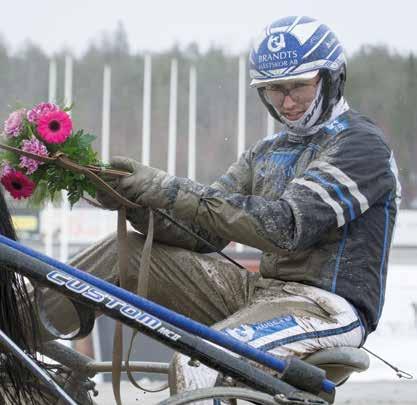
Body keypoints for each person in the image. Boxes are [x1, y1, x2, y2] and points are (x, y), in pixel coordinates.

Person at [41, 16, 401, 396]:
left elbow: (286, 227)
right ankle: (15, 331)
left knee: (199, 360)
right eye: (274, 89)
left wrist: (166, 188)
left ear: (332, 78)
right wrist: (131, 200)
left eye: (298, 86)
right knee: (125, 251)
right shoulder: (265, 151)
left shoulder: (361, 146)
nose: (287, 101)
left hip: (325, 308)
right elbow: (202, 233)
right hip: (258, 293)